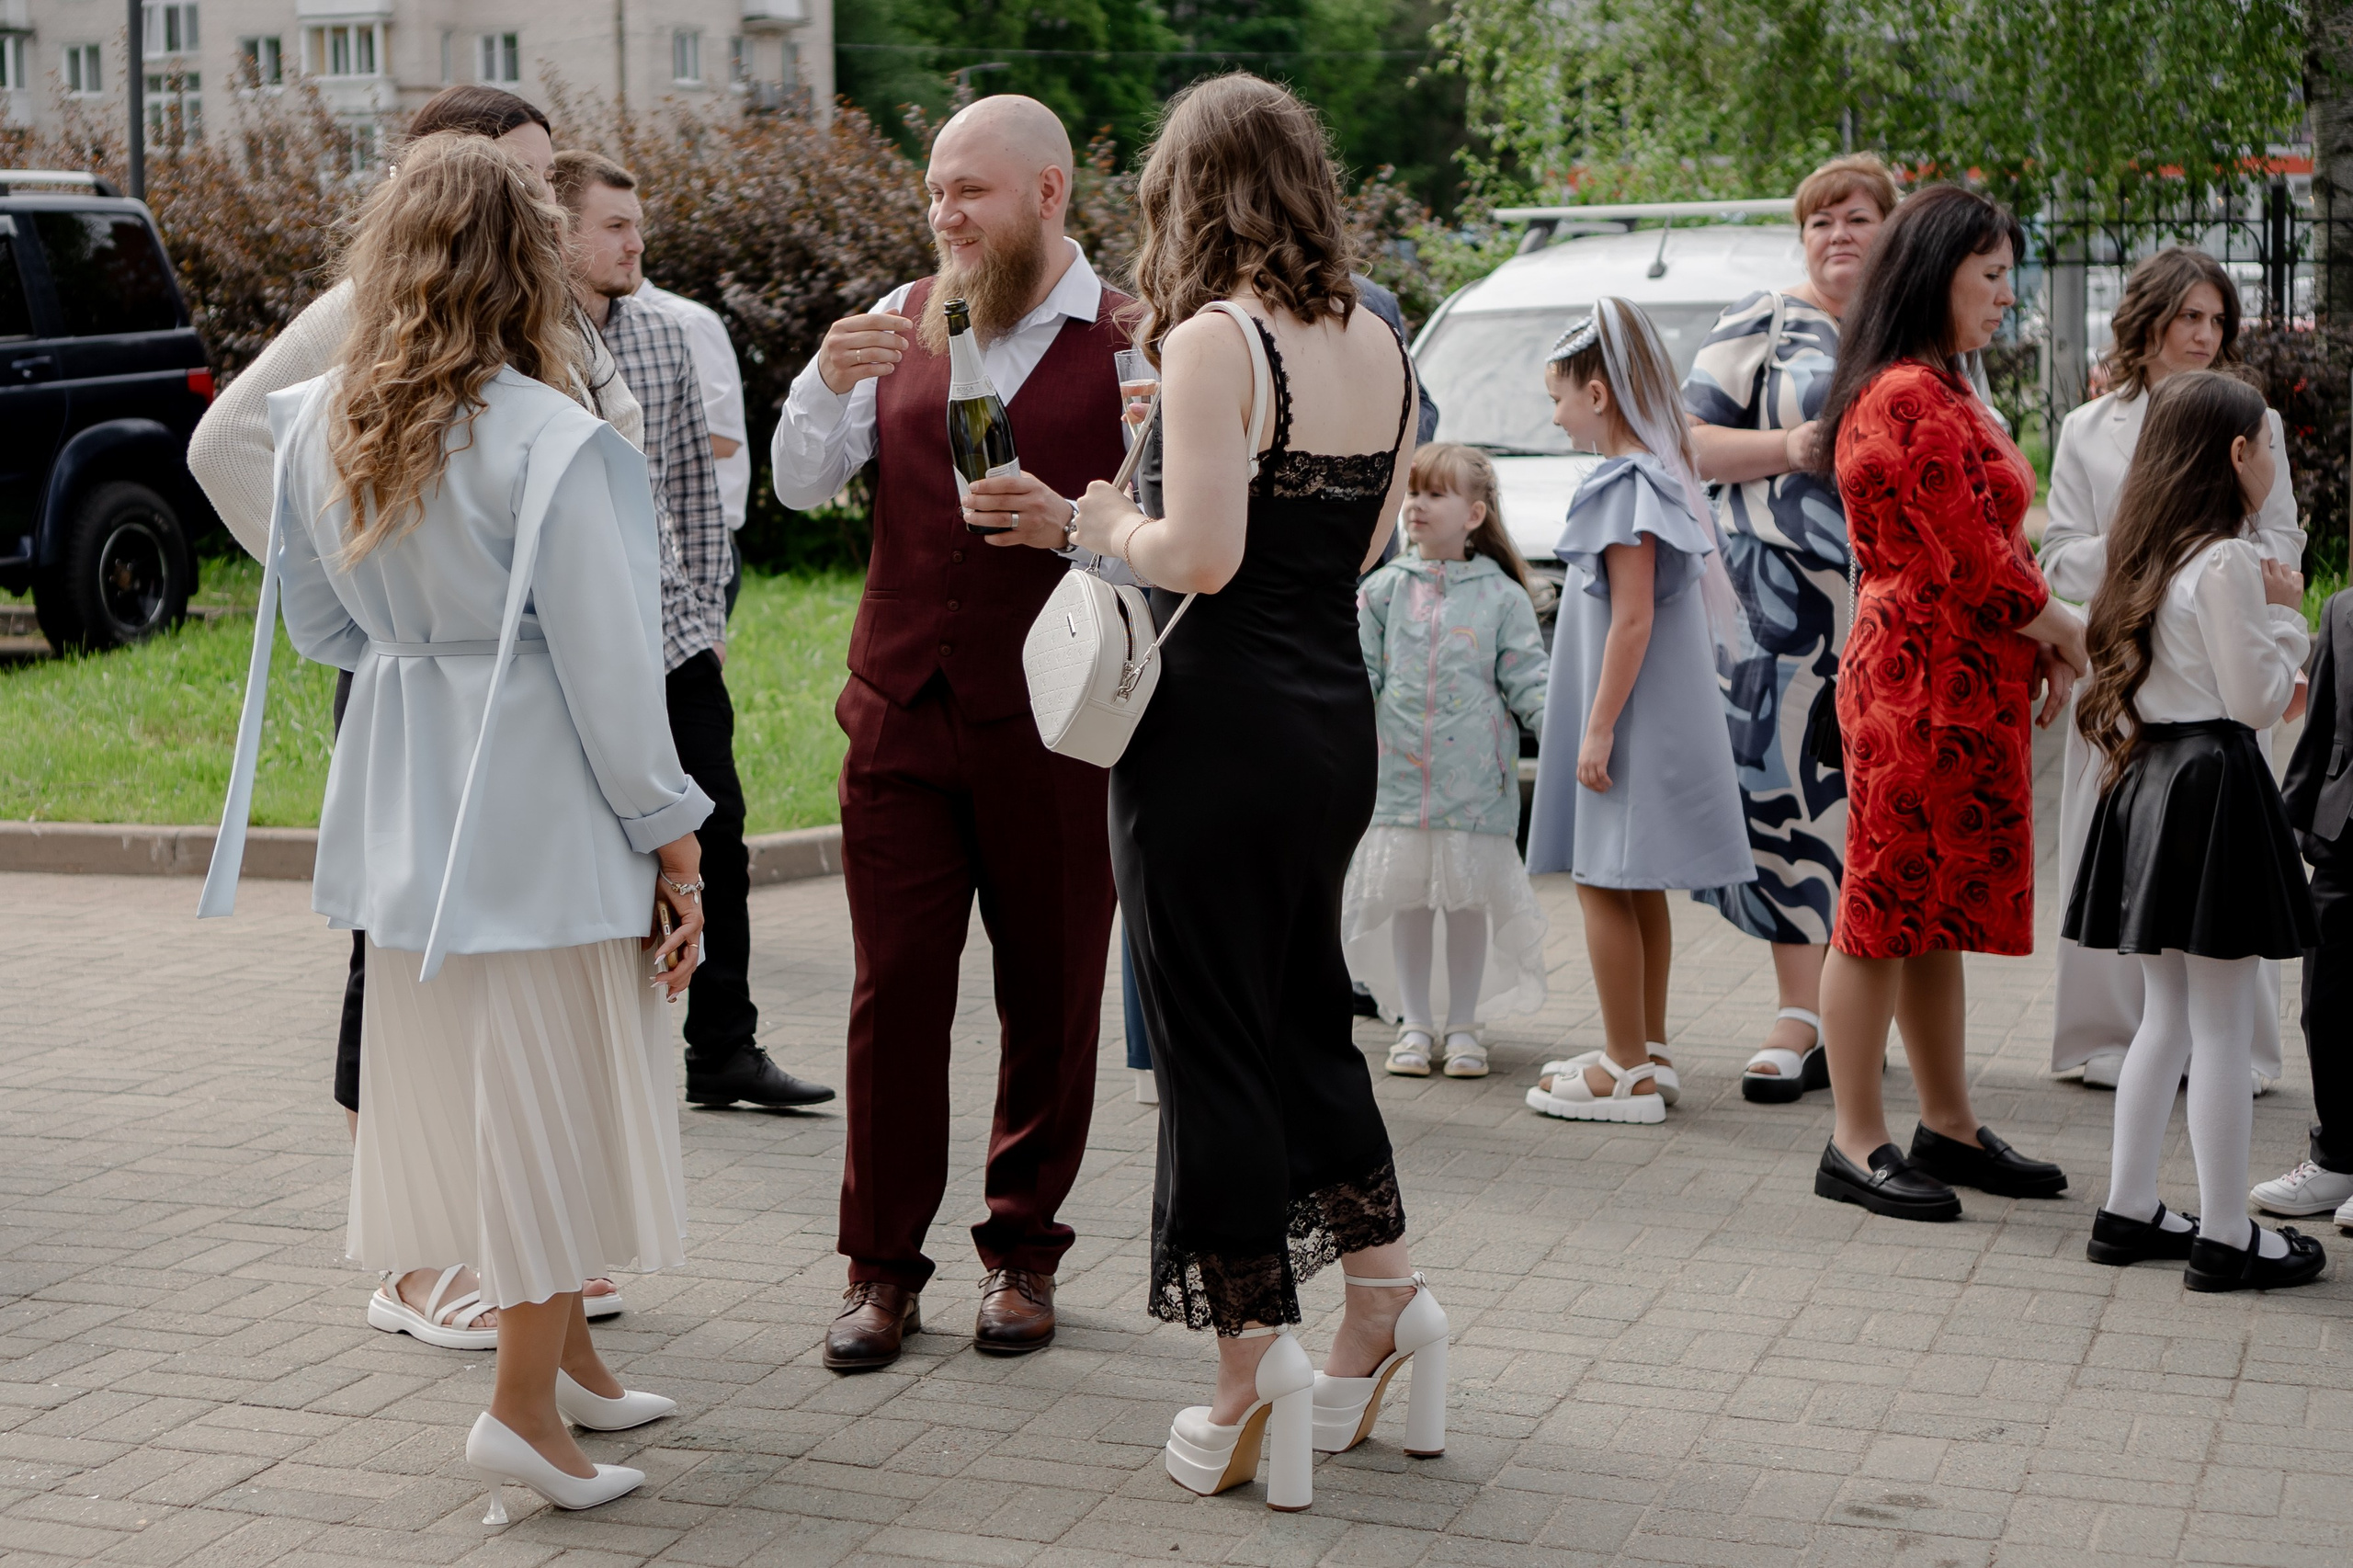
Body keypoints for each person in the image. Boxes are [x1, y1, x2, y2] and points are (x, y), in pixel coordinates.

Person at [200, 131, 709, 1513]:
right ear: (528, 263)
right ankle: (522, 1413)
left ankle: (579, 1366)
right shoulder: (560, 442)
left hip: (407, 792)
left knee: (495, 1081)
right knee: (545, 1100)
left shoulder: (322, 422)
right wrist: (677, 837)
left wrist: (421, 651)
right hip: (541, 804)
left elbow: (315, 622)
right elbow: (615, 679)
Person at [1068, 72, 1448, 1512]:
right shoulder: (1382, 342)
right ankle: (1389, 1295)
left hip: (1211, 725)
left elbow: (1203, 554)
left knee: (1214, 1042)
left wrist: (1113, 519)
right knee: (1298, 1018)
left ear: (1193, 193)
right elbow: (1350, 559)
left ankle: (1248, 1362)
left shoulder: (1218, 338)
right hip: (1327, 715)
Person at [768, 95, 1128, 1371]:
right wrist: (821, 377)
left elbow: (1180, 550)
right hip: (904, 709)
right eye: (934, 191)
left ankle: (1023, 1252)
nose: (944, 214)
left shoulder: (1135, 343)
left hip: (1059, 721)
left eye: (968, 190)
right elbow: (800, 483)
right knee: (894, 990)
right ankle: (880, 1268)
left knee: (1053, 988)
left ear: (1047, 191)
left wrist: (1079, 521)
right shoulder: (913, 310)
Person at [1809, 185, 2085, 1221]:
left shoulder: (1942, 388)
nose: (2007, 296)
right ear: (1939, 274)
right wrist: (2066, 632)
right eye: (1994, 275)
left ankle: (1949, 1123)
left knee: (1931, 915)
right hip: (1913, 686)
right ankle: (1854, 1138)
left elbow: (1994, 552)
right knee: (1879, 909)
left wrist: (2039, 644)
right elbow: (1972, 557)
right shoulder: (1901, 397)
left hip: (1961, 680)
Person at [554, 151, 833, 1116]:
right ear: (556, 233)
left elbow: (690, 499)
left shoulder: (666, 340)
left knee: (720, 837)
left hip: (671, 643)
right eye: (614, 227)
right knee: (599, 859)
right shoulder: (520, 347)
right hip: (572, 657)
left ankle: (724, 1047)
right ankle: (598, 1071)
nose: (636, 243)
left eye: (638, 225)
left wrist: (704, 619)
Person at [2063, 370, 2325, 1290]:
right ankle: (2223, 1233)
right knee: (2216, 1023)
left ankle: (2128, 1205)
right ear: (2237, 454)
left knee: (2165, 1016)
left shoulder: (2146, 554)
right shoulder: (2220, 561)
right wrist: (2288, 616)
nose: (2276, 460)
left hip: (2150, 779)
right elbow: (2256, 699)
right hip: (2212, 780)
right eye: (2270, 445)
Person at [2041, 247, 2304, 1096]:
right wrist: (2159, 540)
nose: (2205, 334)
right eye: (2189, 316)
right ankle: (2111, 1035)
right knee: (2116, 851)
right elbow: (2058, 560)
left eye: (2217, 319)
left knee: (2228, 856)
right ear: (2148, 319)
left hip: (2223, 662)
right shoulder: (2090, 429)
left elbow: (2282, 537)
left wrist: (2255, 583)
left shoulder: (2248, 413)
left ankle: (2241, 1049)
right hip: (2124, 667)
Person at [1683, 153, 1897, 1102]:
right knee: (1785, 803)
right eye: (1820, 221)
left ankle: (1864, 1011)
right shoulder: (1759, 323)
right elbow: (1683, 442)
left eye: (1857, 217)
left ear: (1891, 230)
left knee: (1879, 806)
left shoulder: (1913, 334)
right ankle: (1796, 1014)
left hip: (1890, 614)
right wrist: (1786, 446)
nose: (1838, 233)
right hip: (1779, 615)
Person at [1522, 300, 1756, 1124]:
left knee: (1599, 881)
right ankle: (1647, 1049)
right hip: (1645, 712)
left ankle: (1623, 1069)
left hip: (1625, 714)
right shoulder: (1657, 475)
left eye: (1557, 398)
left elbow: (1631, 618)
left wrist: (1597, 725)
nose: (1551, 417)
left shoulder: (1623, 484)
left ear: (1597, 394)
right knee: (1634, 879)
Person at [1341, 442, 1550, 1080]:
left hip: (1475, 784)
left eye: (1435, 495)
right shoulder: (1380, 593)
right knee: (1407, 901)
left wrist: (1567, 737)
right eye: (1411, 493)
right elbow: (1360, 679)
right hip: (1397, 781)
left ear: (1475, 514)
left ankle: (1463, 1024)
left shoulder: (1502, 599)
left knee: (1465, 905)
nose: (1415, 507)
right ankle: (1414, 1021)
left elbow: (1529, 682)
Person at [2265, 585, 2353, 1229]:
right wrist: (2292, 836)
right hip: (2345, 836)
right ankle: (2338, 1158)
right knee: (2327, 1001)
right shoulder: (2343, 610)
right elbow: (2319, 729)